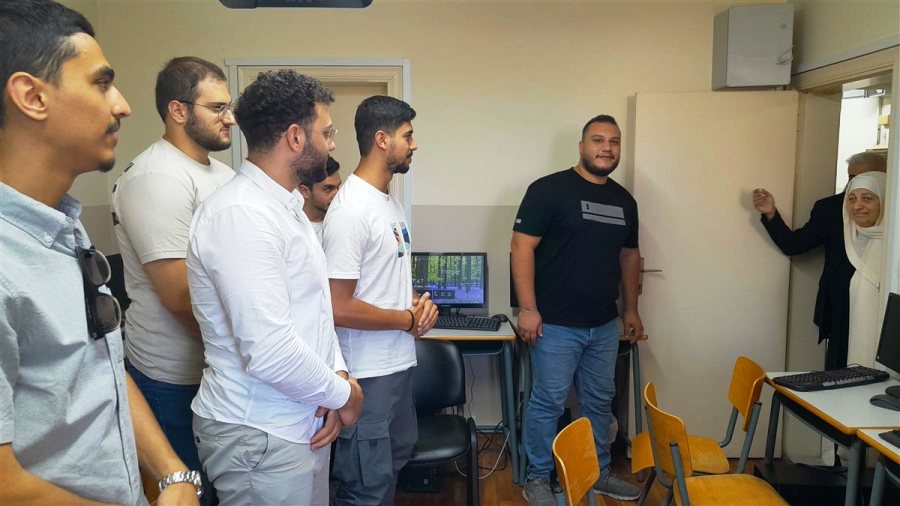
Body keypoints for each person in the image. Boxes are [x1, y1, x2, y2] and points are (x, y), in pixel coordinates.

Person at [0, 1, 200, 504]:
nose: (123, 105)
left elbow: (102, 369)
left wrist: (173, 473)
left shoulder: (64, 228)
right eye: (101, 83)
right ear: (32, 96)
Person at [187, 69, 363, 506]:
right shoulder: (241, 215)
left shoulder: (286, 209)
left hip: (301, 417)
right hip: (258, 430)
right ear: (295, 137)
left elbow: (315, 313)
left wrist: (337, 377)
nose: (332, 144)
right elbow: (269, 350)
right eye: (327, 132)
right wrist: (345, 395)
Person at [111, 56, 235, 502]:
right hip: (172, 377)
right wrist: (243, 352)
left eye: (229, 107)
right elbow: (181, 297)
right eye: (217, 108)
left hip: (219, 365)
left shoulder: (223, 174)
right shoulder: (155, 177)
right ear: (178, 111)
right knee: (191, 493)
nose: (230, 118)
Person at [512, 114, 643, 504]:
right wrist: (528, 308)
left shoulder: (624, 201)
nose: (607, 148)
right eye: (598, 140)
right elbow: (521, 247)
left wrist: (631, 310)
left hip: (603, 324)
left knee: (600, 402)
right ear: (582, 146)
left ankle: (597, 473)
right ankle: (537, 478)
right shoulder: (549, 190)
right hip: (554, 323)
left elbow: (630, 256)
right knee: (548, 402)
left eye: (614, 142)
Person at [325, 95, 438, 506]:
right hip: (367, 373)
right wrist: (407, 320)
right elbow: (338, 306)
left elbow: (386, 282)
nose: (414, 144)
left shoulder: (389, 203)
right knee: (365, 486)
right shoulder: (350, 210)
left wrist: (419, 307)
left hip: (398, 364)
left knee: (393, 464)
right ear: (382, 139)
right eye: (408, 135)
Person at [752, 152, 886, 369]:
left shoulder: (895, 212)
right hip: (839, 308)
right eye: (852, 178)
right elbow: (795, 245)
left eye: (866, 179)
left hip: (883, 310)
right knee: (837, 373)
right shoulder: (831, 208)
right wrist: (771, 214)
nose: (857, 204)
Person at [843, 171, 886, 368]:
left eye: (867, 198)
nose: (857, 206)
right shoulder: (856, 239)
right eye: (852, 199)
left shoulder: (893, 244)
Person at [299, 155, 342, 243]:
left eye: (338, 187)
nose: (337, 195)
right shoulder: (292, 227)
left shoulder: (343, 221)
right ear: (305, 191)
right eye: (328, 189)